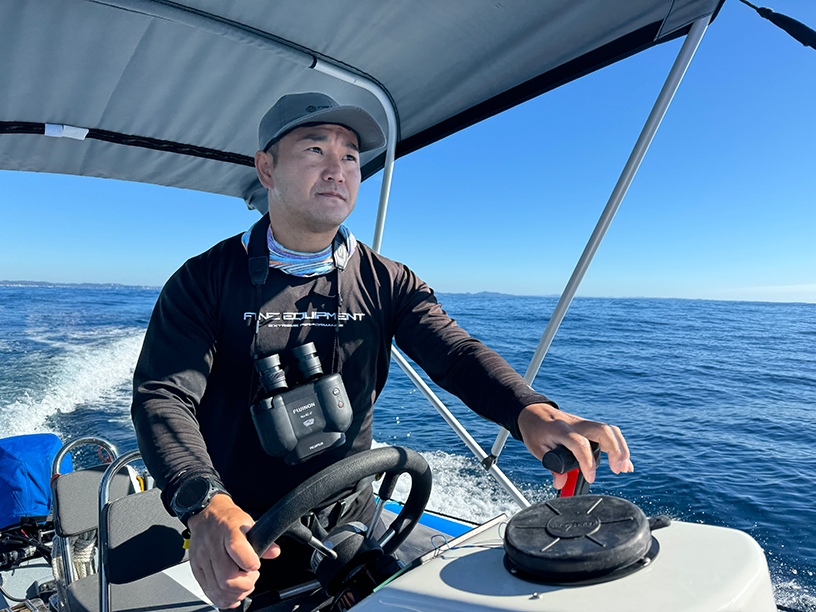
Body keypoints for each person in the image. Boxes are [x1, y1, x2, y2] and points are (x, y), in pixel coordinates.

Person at [131, 92, 633, 610]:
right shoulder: (203, 281)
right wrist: (203, 502)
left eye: (350, 156)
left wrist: (530, 411)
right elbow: (162, 396)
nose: (338, 170)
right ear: (266, 168)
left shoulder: (386, 280)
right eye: (315, 150)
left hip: (353, 512)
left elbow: (455, 353)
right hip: (247, 534)